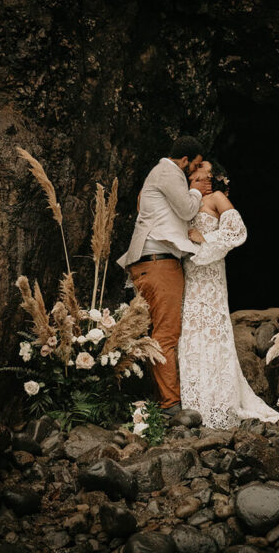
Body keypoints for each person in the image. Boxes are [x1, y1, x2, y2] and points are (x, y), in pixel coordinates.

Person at [178, 161, 279, 428]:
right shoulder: (182, 201)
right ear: (190, 173)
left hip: (211, 274)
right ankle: (194, 404)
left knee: (213, 332)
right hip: (189, 274)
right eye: (203, 170)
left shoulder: (217, 197)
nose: (209, 176)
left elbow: (237, 231)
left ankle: (220, 403)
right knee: (191, 334)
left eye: (212, 172)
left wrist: (205, 240)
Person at [116, 136, 211, 416]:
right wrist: (195, 190)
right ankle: (171, 405)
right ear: (184, 160)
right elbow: (187, 209)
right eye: (192, 166)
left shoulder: (156, 175)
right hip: (159, 264)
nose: (192, 172)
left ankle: (159, 399)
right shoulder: (169, 172)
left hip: (147, 263)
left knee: (153, 334)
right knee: (167, 334)